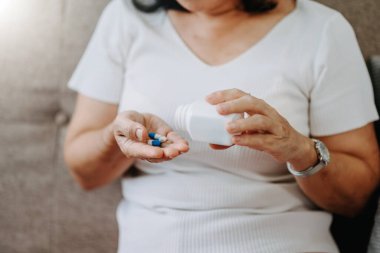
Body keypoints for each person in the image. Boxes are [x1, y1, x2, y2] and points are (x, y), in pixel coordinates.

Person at [64, 0, 380, 252]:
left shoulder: (321, 30)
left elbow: (355, 200)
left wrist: (299, 150)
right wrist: (119, 136)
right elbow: (85, 174)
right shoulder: (125, 18)